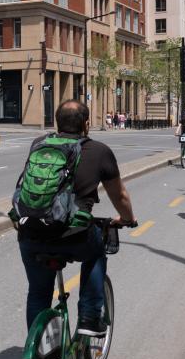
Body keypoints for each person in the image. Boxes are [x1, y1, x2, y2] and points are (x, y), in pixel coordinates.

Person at [17, 100, 137, 335]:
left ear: (56, 122)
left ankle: (38, 355)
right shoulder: (100, 151)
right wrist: (127, 219)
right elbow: (119, 195)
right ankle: (90, 319)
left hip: (31, 230)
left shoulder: (38, 144)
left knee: (39, 293)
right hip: (73, 234)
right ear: (86, 124)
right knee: (96, 252)